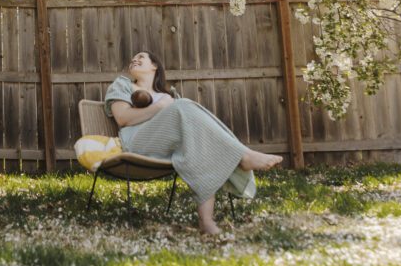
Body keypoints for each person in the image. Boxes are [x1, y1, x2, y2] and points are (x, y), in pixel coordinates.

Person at [104, 51, 283, 235]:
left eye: (140, 57)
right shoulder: (123, 85)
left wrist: (169, 103)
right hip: (137, 142)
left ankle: (206, 220)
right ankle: (243, 156)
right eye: (132, 58)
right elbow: (122, 118)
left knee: (198, 144)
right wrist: (160, 106)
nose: (134, 59)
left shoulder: (169, 95)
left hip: (170, 147)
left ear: (154, 66)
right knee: (184, 106)